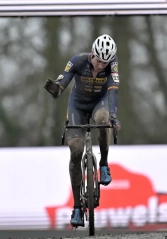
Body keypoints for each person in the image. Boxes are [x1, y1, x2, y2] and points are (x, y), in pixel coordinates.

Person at [44, 34, 121, 227]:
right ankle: (77, 207)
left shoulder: (112, 64)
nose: (101, 66)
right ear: (92, 53)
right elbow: (63, 82)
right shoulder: (77, 60)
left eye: (106, 63)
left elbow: (113, 89)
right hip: (77, 105)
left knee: (103, 120)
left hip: (99, 103)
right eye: (99, 61)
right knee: (76, 150)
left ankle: (103, 164)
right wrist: (56, 88)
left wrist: (113, 115)